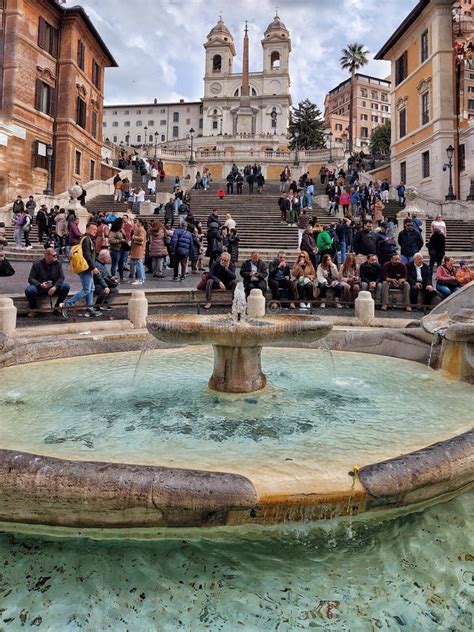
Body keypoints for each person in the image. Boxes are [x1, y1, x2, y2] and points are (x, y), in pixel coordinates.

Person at [61, 223, 102, 318]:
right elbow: (87, 255)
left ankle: (90, 308)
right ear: (87, 229)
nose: (95, 231)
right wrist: (93, 267)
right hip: (85, 267)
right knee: (87, 289)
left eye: (96, 230)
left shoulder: (87, 239)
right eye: (93, 229)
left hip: (86, 266)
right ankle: (67, 304)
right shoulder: (87, 239)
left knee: (91, 288)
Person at [25, 248, 70, 317]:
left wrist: (55, 286)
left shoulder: (58, 263)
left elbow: (61, 277)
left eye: (56, 255)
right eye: (54, 255)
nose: (56, 257)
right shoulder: (37, 264)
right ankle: (34, 309)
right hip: (40, 287)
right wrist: (40, 284)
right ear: (47, 256)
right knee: (29, 290)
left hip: (53, 287)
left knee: (66, 286)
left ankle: (57, 306)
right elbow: (31, 278)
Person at [129, 218, 147, 284]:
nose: (136, 223)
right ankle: (141, 278)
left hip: (138, 249)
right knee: (139, 264)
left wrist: (134, 237)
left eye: (137, 222)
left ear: (140, 223)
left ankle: (140, 279)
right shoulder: (140, 229)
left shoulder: (141, 229)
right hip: (138, 249)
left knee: (139, 264)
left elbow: (141, 238)